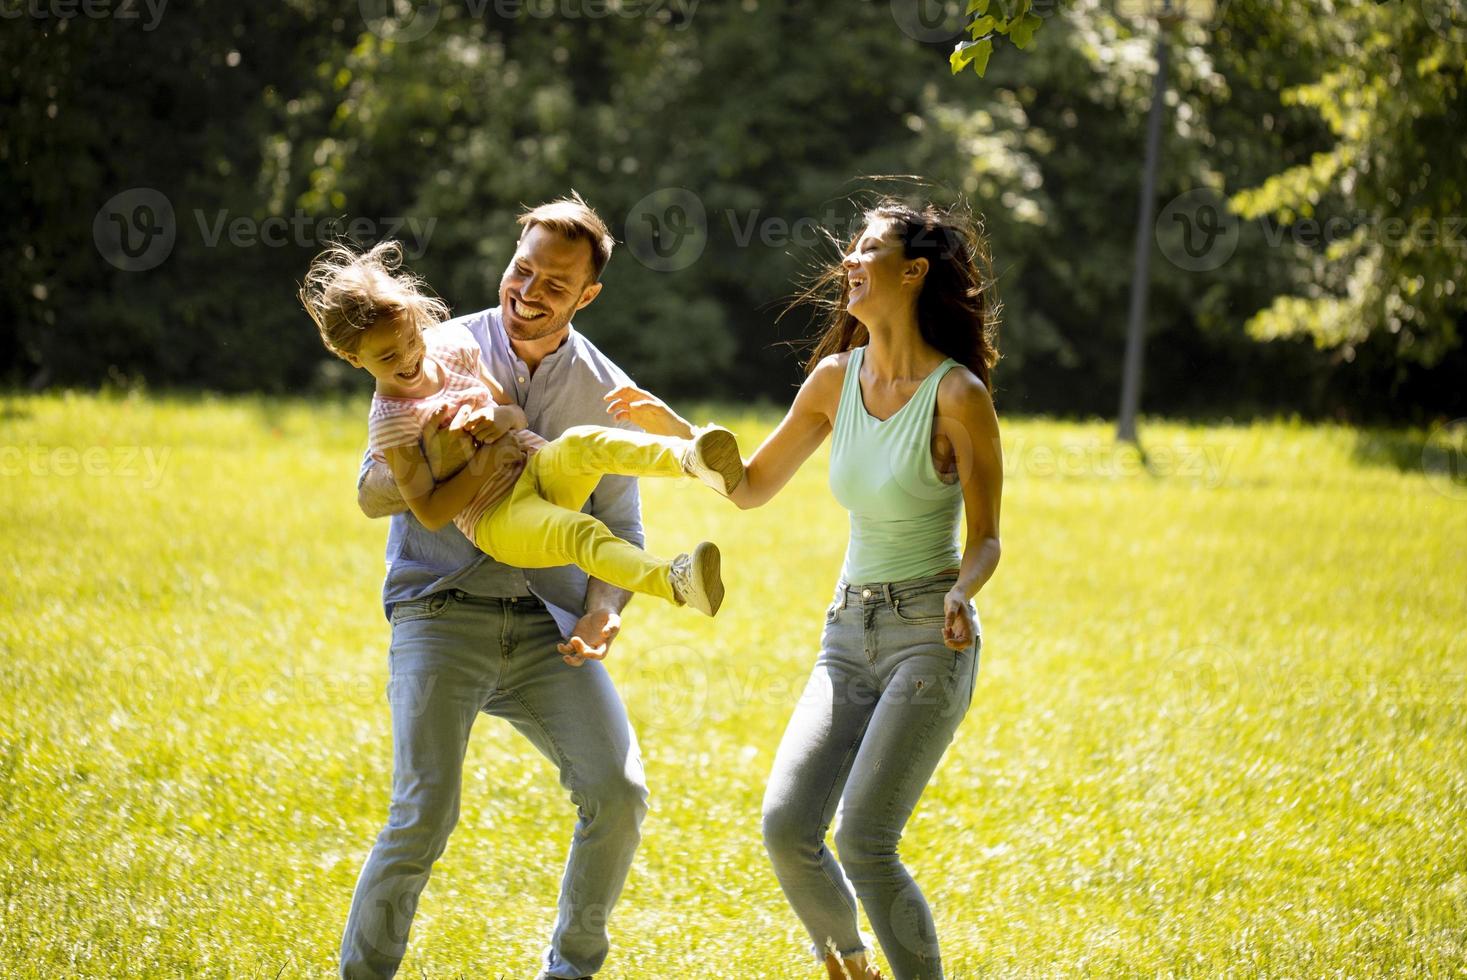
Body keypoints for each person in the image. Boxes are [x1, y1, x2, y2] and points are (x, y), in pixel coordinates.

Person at [606, 200, 1004, 980]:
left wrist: (962, 592)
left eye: (869, 249)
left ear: (914, 271)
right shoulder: (833, 380)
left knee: (865, 840)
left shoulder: (958, 396)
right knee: (788, 826)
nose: (849, 261)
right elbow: (750, 486)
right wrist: (680, 436)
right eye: (850, 248)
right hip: (847, 631)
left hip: (930, 629)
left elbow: (986, 537)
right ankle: (852, 965)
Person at [335, 194, 684, 980]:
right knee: (423, 814)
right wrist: (441, 459)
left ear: (587, 296)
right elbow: (368, 492)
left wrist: (603, 613)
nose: (528, 291)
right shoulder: (427, 350)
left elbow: (621, 531)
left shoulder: (605, 390)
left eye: (554, 285)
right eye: (521, 269)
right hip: (439, 610)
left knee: (619, 795)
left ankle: (570, 969)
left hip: (545, 628)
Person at [300, 240, 742, 616]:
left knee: (583, 442)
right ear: (353, 359)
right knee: (579, 532)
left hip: (536, 467)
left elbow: (515, 414)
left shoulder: (451, 350)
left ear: (419, 322)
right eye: (386, 357)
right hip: (498, 517)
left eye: (411, 340)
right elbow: (431, 513)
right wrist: (483, 459)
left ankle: (691, 458)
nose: (408, 358)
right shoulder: (392, 422)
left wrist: (499, 420)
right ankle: (677, 581)